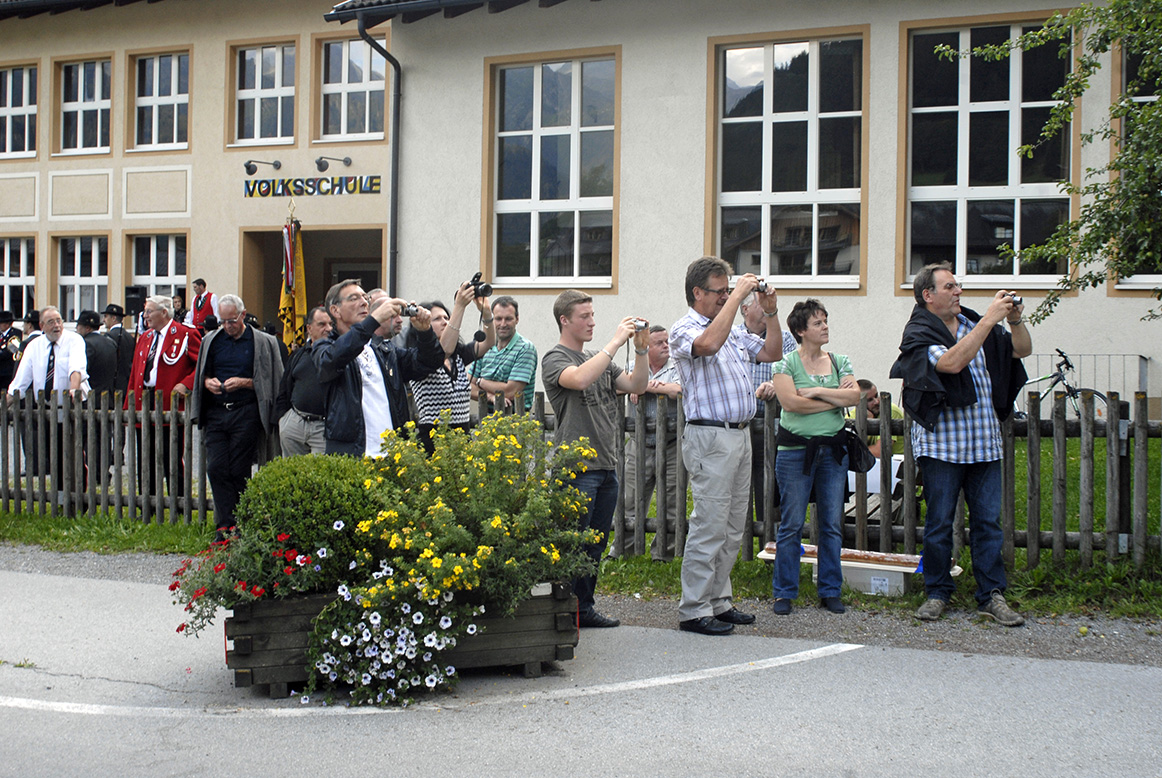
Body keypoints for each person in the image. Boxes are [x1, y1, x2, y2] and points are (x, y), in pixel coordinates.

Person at [890, 263, 1030, 627]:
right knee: (939, 524)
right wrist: (990, 320)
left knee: (988, 524)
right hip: (943, 446)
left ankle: (991, 595)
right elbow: (951, 363)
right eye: (950, 286)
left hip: (984, 442)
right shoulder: (920, 331)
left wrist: (1013, 320)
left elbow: (1022, 350)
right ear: (928, 295)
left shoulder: (973, 324)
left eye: (958, 286)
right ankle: (937, 592)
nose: (958, 292)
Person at [669, 257, 782, 636]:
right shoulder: (684, 329)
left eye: (727, 291)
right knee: (709, 525)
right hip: (710, 437)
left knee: (733, 527)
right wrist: (737, 299)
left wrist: (771, 312)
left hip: (739, 433)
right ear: (697, 292)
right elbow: (708, 344)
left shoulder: (731, 331)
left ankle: (718, 601)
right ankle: (694, 608)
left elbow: (772, 352)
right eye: (719, 291)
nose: (724, 297)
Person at [542, 290, 649, 629]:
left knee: (594, 545)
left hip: (605, 467)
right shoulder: (555, 358)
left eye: (592, 315)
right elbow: (579, 379)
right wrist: (615, 342)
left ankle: (583, 609)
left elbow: (637, 385)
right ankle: (561, 613)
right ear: (565, 320)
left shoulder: (597, 358)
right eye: (584, 316)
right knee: (571, 544)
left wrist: (642, 349)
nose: (591, 322)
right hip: (576, 470)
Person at [758, 298, 860, 616]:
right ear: (801, 330)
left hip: (833, 451)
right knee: (791, 523)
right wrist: (835, 399)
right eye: (818, 322)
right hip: (795, 452)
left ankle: (830, 590)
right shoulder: (785, 364)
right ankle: (784, 592)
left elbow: (855, 396)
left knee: (831, 524)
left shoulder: (840, 361)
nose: (825, 326)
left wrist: (816, 392)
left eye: (825, 320)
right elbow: (791, 404)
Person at [313, 279, 443, 456]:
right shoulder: (325, 348)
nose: (363, 302)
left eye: (365, 298)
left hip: (392, 457)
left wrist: (425, 332)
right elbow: (334, 359)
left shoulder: (384, 349)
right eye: (354, 298)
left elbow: (428, 363)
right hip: (354, 456)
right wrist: (373, 320)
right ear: (335, 310)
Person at [191, 294, 283, 539]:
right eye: (223, 321)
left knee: (238, 469)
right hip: (216, 411)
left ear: (243, 315)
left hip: (245, 411)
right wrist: (207, 382)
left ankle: (240, 524)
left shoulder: (263, 342)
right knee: (216, 468)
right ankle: (225, 525)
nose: (227, 326)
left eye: (231, 321)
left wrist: (245, 382)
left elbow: (273, 379)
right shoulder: (211, 340)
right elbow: (202, 373)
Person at [615, 324, 682, 561]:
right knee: (630, 499)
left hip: (672, 445)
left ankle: (664, 553)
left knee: (672, 499)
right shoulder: (632, 366)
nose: (666, 346)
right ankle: (624, 550)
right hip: (639, 444)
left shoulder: (677, 365)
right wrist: (636, 385)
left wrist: (644, 386)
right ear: (647, 347)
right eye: (659, 343)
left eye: (667, 341)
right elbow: (616, 387)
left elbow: (679, 390)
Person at [406, 283, 495, 453]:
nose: (445, 322)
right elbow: (442, 352)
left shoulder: (457, 356)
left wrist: (486, 313)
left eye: (447, 317)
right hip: (434, 443)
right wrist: (459, 306)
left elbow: (489, 342)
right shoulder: (420, 358)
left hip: (461, 440)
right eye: (437, 319)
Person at [127, 295, 201, 501]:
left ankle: (178, 502)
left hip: (170, 403)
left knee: (171, 458)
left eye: (149, 311)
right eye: (145, 311)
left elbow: (202, 365)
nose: (145, 316)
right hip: (144, 401)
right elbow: (135, 372)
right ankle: (147, 503)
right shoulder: (145, 337)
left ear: (164, 312)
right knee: (145, 457)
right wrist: (129, 405)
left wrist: (186, 384)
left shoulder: (186, 334)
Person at [737, 290, 797, 531]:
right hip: (739, 425)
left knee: (769, 488)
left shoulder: (784, 338)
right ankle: (737, 540)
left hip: (773, 424)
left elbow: (793, 373)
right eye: (761, 304)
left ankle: (771, 541)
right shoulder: (732, 337)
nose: (767, 309)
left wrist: (775, 384)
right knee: (736, 490)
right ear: (745, 309)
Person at [7, 306, 88, 481]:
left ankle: (77, 494)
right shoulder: (33, 346)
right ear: (42, 326)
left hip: (71, 406)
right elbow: (20, 381)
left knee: (73, 457)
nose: (56, 325)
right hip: (46, 408)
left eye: (59, 321)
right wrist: (5, 403)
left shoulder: (74, 340)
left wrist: (73, 391)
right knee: (54, 457)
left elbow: (76, 368)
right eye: (51, 322)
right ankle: (59, 493)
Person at [274, 306, 332, 456]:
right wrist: (283, 419)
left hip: (323, 428)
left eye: (330, 324)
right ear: (309, 328)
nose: (328, 329)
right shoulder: (298, 355)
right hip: (295, 424)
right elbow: (284, 388)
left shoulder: (336, 356)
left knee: (320, 471)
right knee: (293, 470)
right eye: (322, 324)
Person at [468, 295, 538, 414]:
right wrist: (490, 396)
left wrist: (481, 382)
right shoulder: (484, 347)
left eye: (508, 319)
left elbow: (510, 392)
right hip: (485, 418)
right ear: (492, 320)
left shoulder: (525, 348)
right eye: (498, 318)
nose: (503, 324)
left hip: (516, 419)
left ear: (517, 319)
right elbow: (467, 386)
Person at [845, 379, 905, 458]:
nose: (876, 401)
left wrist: (855, 452)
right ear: (856, 401)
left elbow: (880, 451)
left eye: (876, 396)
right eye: (870, 400)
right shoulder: (851, 417)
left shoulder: (889, 410)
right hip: (869, 462)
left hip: (897, 462)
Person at [102, 303, 136, 396]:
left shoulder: (109, 337)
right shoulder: (130, 337)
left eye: (106, 316)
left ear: (113, 318)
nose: (103, 320)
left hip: (114, 383)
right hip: (127, 382)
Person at [0, 310, 20, 393]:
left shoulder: (15, 334)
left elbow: (11, 351)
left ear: (7, 324)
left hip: (7, 372)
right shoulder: (1, 334)